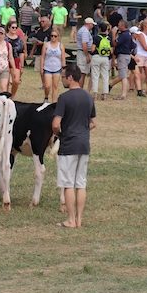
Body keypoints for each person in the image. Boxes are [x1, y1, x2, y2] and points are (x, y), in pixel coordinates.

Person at [52, 63, 96, 229]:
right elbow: (93, 123)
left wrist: (60, 134)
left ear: (70, 78)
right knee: (81, 183)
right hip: (84, 144)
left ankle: (70, 220)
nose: (63, 79)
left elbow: (56, 124)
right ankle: (79, 219)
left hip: (69, 144)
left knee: (68, 184)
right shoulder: (87, 97)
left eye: (64, 77)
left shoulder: (64, 98)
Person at [109, 20, 134, 100]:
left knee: (123, 76)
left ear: (123, 26)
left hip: (123, 56)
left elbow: (115, 44)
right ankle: (110, 85)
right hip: (127, 55)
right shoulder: (128, 34)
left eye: (119, 25)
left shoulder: (124, 35)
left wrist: (113, 34)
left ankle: (123, 94)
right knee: (122, 74)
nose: (118, 26)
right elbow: (133, 45)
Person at [132, 20, 147, 97]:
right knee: (140, 73)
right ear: (144, 27)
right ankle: (139, 89)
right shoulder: (140, 34)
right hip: (140, 54)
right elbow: (144, 46)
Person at [41, 28, 66, 102]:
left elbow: (63, 58)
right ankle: (46, 97)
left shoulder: (61, 45)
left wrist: (63, 68)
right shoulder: (46, 45)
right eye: (52, 36)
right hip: (47, 67)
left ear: (58, 37)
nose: (53, 38)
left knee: (55, 86)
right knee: (47, 85)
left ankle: (54, 102)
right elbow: (43, 57)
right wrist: (42, 67)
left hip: (57, 68)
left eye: (55, 36)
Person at [90, 22, 111, 101]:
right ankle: (105, 94)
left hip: (96, 57)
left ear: (99, 29)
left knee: (95, 76)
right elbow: (111, 50)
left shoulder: (96, 37)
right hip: (105, 58)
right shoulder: (108, 38)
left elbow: (92, 49)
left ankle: (95, 93)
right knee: (105, 76)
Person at [31, 15, 53, 90]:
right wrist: (32, 52)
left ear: (47, 22)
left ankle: (48, 84)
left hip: (48, 54)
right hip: (39, 52)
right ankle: (44, 84)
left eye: (43, 21)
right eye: (41, 21)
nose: (42, 23)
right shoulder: (39, 31)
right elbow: (36, 42)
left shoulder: (51, 32)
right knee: (41, 71)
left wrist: (43, 43)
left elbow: (52, 43)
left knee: (46, 70)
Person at [6, 21, 27, 98]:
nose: (14, 29)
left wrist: (22, 65)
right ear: (9, 28)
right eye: (13, 27)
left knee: (16, 80)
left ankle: (12, 96)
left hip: (16, 60)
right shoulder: (5, 38)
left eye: (16, 27)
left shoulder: (19, 40)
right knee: (6, 81)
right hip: (6, 60)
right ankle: (6, 96)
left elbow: (21, 53)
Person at [76, 17, 96, 88]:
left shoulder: (83, 30)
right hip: (83, 53)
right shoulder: (85, 31)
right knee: (82, 73)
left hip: (82, 53)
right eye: (92, 24)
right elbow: (84, 45)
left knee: (83, 73)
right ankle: (80, 89)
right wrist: (87, 55)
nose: (93, 26)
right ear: (89, 24)